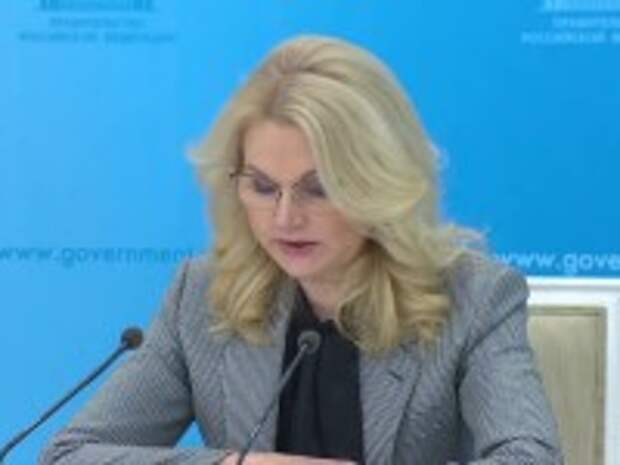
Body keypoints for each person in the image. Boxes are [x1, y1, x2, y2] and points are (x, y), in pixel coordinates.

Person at [39, 35, 563, 465]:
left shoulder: (475, 298)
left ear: (379, 185)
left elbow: (530, 458)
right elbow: (68, 456)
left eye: (319, 189)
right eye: (263, 187)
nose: (285, 218)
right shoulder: (200, 297)